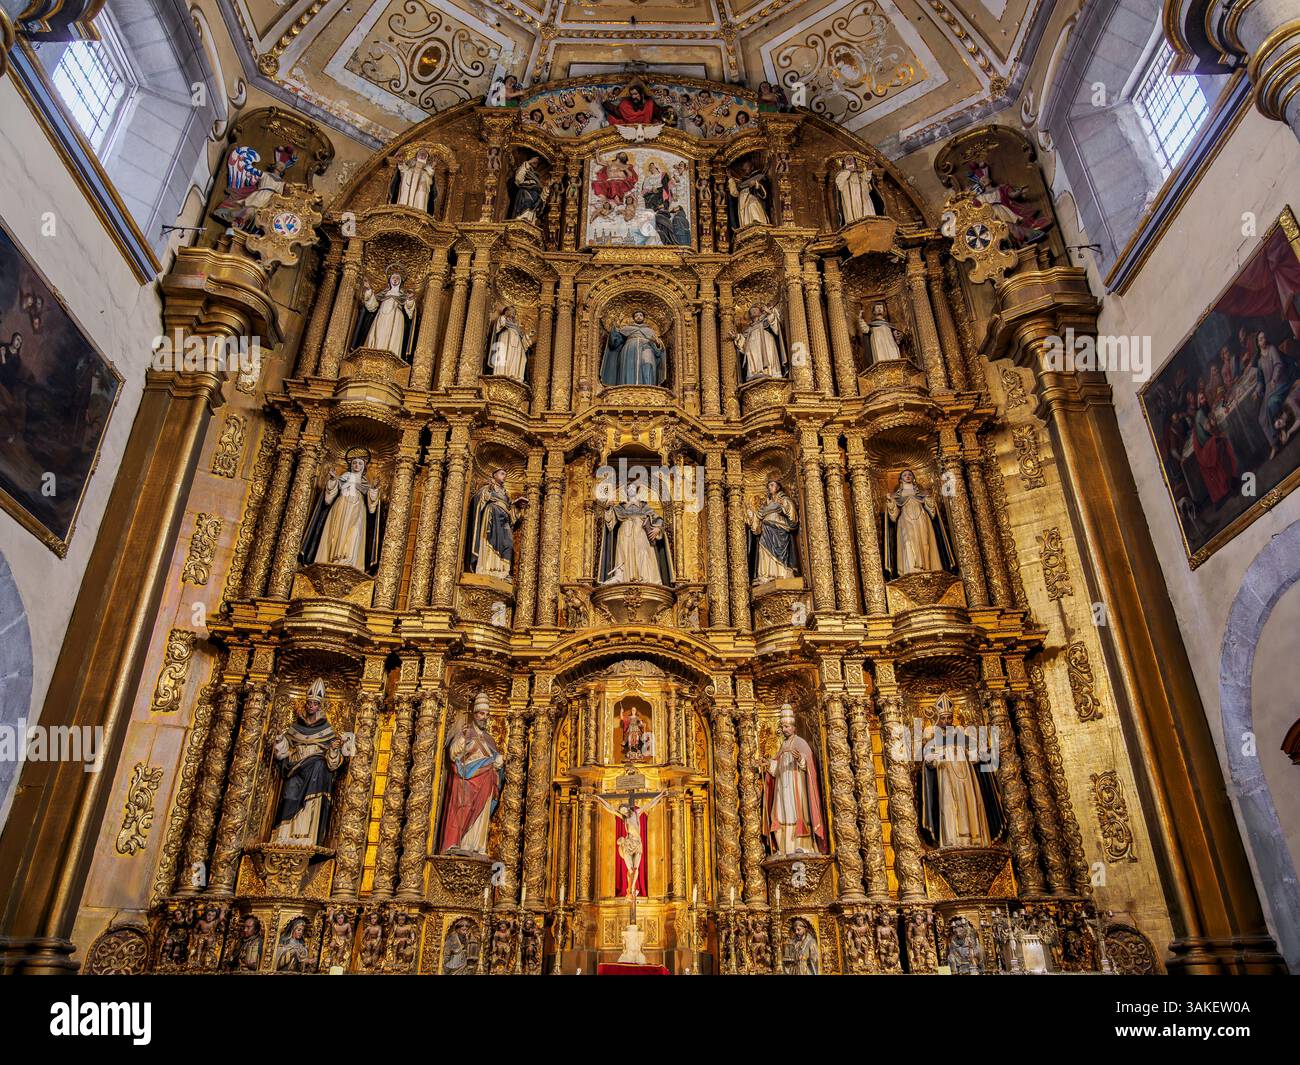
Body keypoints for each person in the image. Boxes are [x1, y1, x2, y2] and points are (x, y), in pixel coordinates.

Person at [270, 678, 352, 846]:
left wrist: (334, 749)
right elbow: (282, 752)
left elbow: (333, 764)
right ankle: (283, 835)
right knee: (289, 796)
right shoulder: (295, 728)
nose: (310, 706)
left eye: (314, 703)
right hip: (296, 770)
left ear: (319, 707)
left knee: (317, 771)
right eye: (309, 703)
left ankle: (307, 837)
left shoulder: (328, 731)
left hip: (317, 778)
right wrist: (279, 738)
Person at [439, 693, 505, 855]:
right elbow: (454, 754)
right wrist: (462, 738)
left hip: (486, 783)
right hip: (467, 781)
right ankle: (458, 843)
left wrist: (498, 761)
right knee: (462, 810)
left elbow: (495, 759)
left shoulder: (489, 739)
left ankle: (477, 846)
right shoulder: (466, 733)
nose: (485, 718)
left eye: (487, 715)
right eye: (482, 714)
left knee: (481, 817)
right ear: (474, 714)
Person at [302, 449, 382, 572]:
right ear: (350, 465)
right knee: (337, 530)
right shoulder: (344, 477)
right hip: (341, 505)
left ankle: (350, 561)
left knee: (355, 531)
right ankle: (332, 560)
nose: (357, 465)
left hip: (358, 508)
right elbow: (329, 497)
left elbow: (372, 505)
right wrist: (333, 479)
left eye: (360, 463)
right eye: (354, 463)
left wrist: (374, 489)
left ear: (364, 466)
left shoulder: (365, 483)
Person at [763, 704, 826, 855]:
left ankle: (803, 846)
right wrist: (769, 764)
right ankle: (784, 848)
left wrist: (801, 760)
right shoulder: (783, 745)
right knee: (779, 813)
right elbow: (778, 768)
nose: (785, 729)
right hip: (782, 788)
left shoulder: (800, 743)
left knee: (796, 813)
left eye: (787, 726)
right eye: (783, 726)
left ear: (794, 727)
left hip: (796, 786)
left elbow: (808, 763)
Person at [599, 482, 674, 585]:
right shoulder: (620, 507)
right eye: (628, 488)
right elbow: (610, 521)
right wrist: (608, 508)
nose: (631, 489)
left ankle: (646, 577)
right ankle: (620, 577)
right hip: (625, 531)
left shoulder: (644, 506)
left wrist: (657, 529)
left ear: (637, 490)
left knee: (643, 552)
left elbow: (658, 518)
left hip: (640, 532)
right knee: (623, 552)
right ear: (626, 492)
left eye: (633, 487)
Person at [884, 468, 949, 576]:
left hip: (921, 517)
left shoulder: (921, 493)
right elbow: (893, 513)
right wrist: (890, 501)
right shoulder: (897, 495)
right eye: (905, 475)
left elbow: (932, 508)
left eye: (910, 474)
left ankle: (927, 568)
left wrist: (928, 497)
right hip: (905, 519)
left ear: (913, 478)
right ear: (901, 479)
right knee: (908, 542)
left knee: (924, 541)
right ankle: (911, 570)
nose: (908, 476)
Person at [747, 479, 799, 583]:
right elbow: (759, 516)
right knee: (763, 551)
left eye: (772, 485)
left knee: (779, 549)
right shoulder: (767, 503)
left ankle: (780, 573)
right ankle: (766, 575)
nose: (769, 487)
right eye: (768, 486)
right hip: (766, 531)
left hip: (779, 530)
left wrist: (784, 503)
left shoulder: (782, 499)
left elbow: (791, 514)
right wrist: (751, 514)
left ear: (778, 487)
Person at [599, 310, 668, 387]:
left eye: (640, 315)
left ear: (644, 318)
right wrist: (615, 327)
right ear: (633, 318)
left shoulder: (650, 331)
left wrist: (657, 343)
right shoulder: (627, 329)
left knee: (647, 368)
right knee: (628, 369)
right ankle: (626, 387)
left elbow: (658, 352)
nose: (638, 317)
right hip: (629, 351)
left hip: (647, 350)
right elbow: (615, 343)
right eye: (636, 315)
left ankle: (648, 387)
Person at [734, 303, 785, 380]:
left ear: (761, 311)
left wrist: (770, 313)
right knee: (752, 354)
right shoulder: (748, 329)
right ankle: (754, 373)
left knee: (767, 353)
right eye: (752, 310)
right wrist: (737, 337)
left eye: (756, 309)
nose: (754, 311)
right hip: (752, 345)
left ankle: (768, 371)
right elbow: (744, 343)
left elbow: (776, 329)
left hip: (766, 341)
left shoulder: (765, 320)